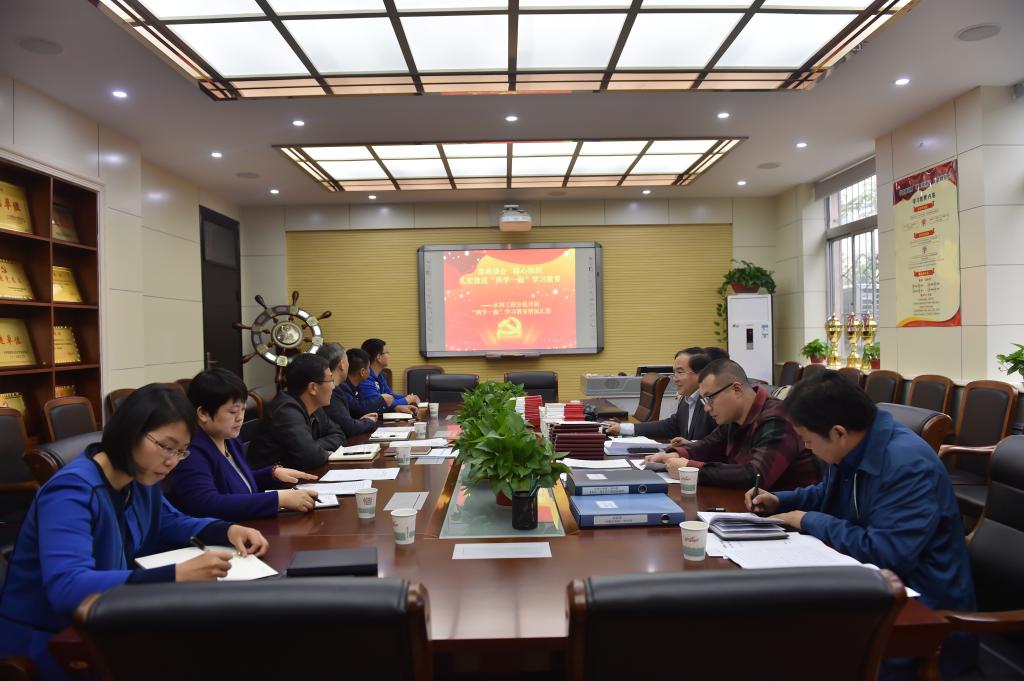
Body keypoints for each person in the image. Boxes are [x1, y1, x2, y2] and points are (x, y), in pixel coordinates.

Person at [0, 384, 269, 679]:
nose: (171, 461)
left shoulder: (139, 476)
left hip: (110, 617)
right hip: (52, 640)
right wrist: (176, 574)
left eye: (181, 452)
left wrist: (227, 530)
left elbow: (169, 522)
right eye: (166, 446)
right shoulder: (71, 491)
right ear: (131, 432)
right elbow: (67, 586)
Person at [746, 371, 976, 679]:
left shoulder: (907, 465)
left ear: (838, 432)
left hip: (919, 609)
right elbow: (829, 494)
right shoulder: (856, 443)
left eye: (807, 439)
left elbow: (886, 552)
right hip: (867, 584)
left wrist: (807, 519)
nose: (806, 446)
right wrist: (781, 501)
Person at [162, 368, 319, 521]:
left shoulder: (229, 438)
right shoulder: (190, 450)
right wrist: (277, 499)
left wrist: (272, 474)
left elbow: (235, 485)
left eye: (242, 410)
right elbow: (207, 503)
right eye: (232, 412)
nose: (240, 418)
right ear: (203, 413)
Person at [649, 359, 820, 490]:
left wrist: (690, 468)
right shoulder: (736, 417)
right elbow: (711, 445)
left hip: (788, 517)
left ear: (736, 389)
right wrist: (676, 454)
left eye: (710, 398)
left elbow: (755, 476)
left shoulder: (777, 418)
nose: (707, 408)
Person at [245, 353, 345, 471]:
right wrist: (313, 450)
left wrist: (313, 446)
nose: (333, 386)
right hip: (270, 480)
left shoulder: (313, 405)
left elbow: (339, 434)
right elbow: (311, 458)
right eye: (330, 380)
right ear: (313, 388)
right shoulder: (286, 411)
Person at [604, 348, 715, 445]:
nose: (675, 379)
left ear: (701, 374)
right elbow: (670, 426)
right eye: (674, 373)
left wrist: (691, 445)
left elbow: (718, 443)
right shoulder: (687, 399)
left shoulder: (712, 403)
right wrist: (622, 428)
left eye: (680, 372)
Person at [319, 343, 378, 437]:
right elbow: (348, 428)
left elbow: (345, 422)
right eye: (347, 362)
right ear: (342, 365)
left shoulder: (337, 388)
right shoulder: (332, 391)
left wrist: (360, 421)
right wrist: (368, 422)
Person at [360, 338, 418, 413]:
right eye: (387, 352)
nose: (389, 355)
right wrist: (406, 400)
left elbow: (390, 395)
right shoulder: (365, 378)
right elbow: (378, 404)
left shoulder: (379, 375)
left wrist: (409, 397)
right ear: (379, 357)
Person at [340, 348, 389, 416]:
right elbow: (358, 408)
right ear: (362, 372)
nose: (370, 371)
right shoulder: (343, 388)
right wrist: (381, 400)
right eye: (368, 367)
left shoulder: (355, 386)